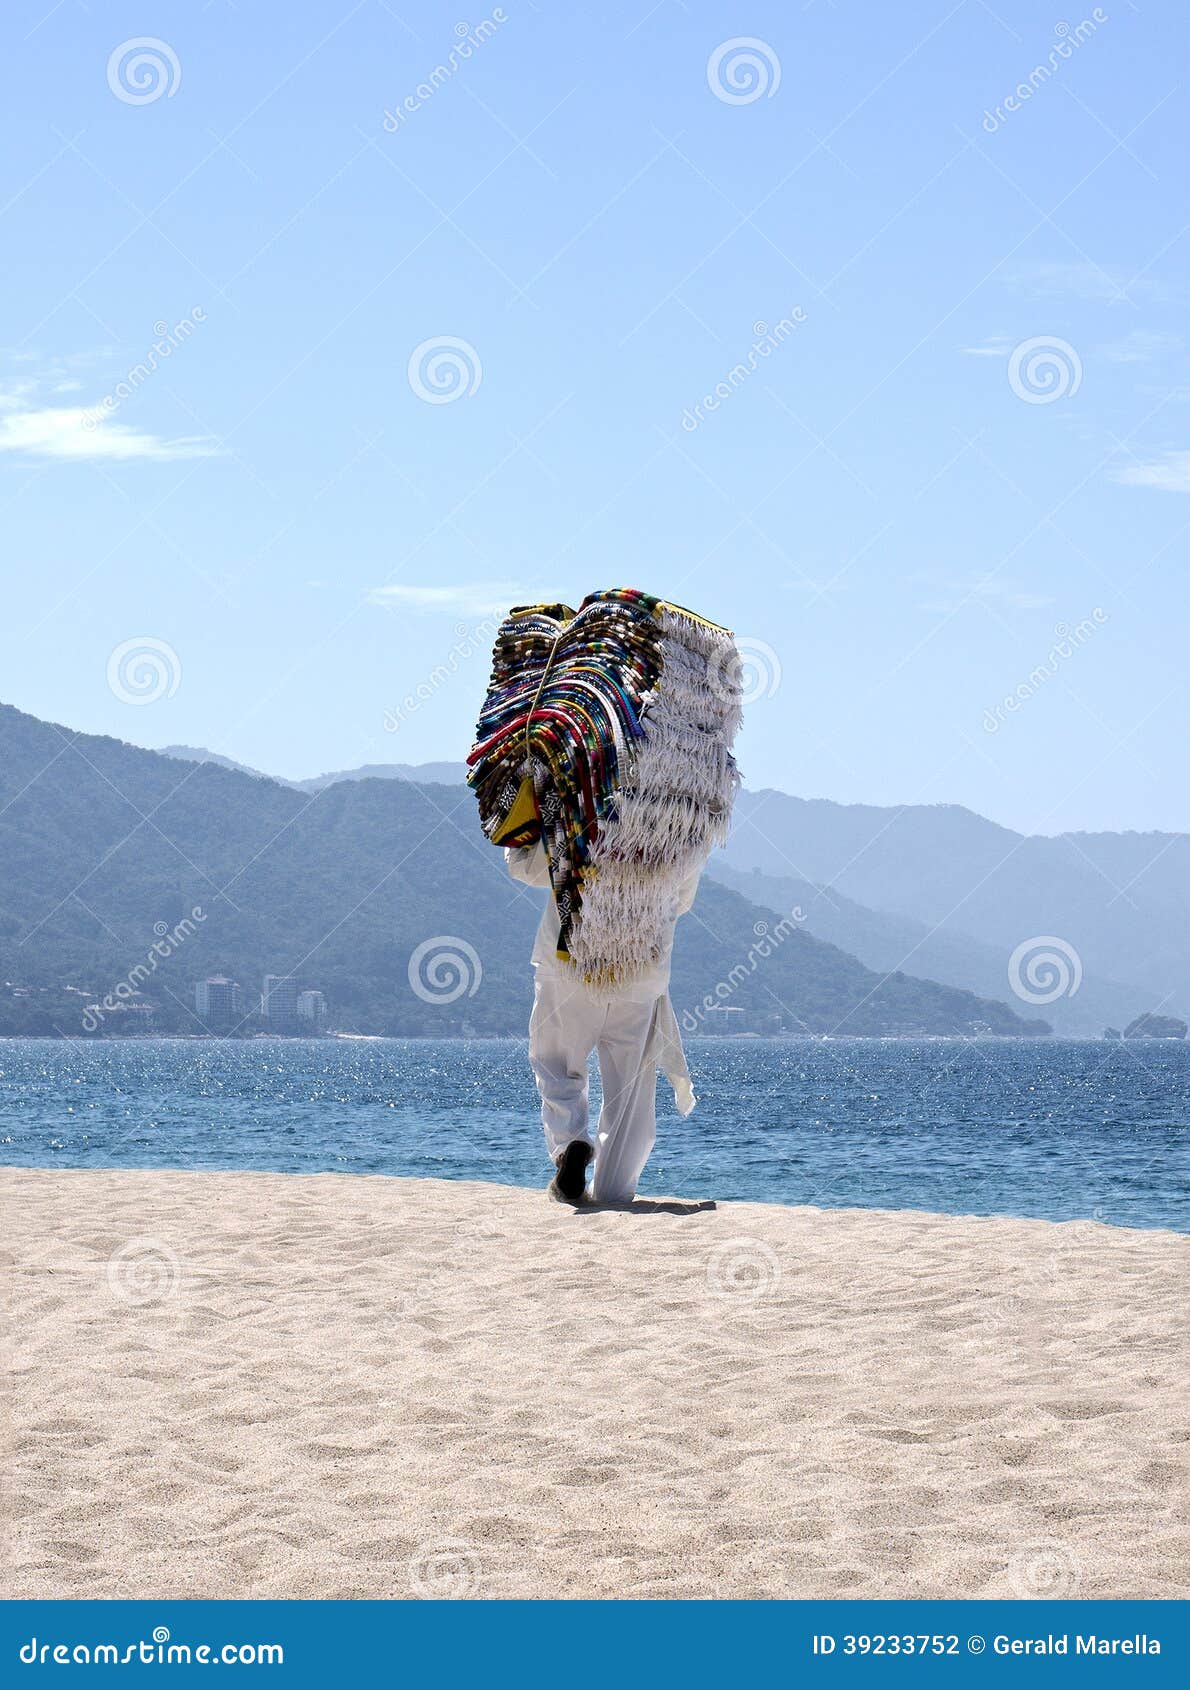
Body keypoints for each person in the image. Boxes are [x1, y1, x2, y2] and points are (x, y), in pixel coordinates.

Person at [506, 842, 704, 1205]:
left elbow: (531, 870)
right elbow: (682, 899)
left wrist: (516, 843)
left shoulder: (581, 795)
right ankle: (613, 1190)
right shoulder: (678, 814)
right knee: (629, 1092)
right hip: (640, 966)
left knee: (556, 1062)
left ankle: (571, 1144)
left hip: (571, 961)